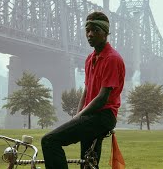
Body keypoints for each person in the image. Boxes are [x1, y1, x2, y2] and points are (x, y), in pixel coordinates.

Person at [41, 11, 125, 169]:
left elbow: (102, 98)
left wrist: (79, 116)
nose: (90, 34)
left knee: (50, 141)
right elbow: (86, 91)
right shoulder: (90, 59)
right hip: (92, 115)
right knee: (88, 164)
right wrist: (77, 116)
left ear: (105, 33)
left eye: (95, 30)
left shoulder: (112, 59)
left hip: (103, 116)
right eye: (88, 30)